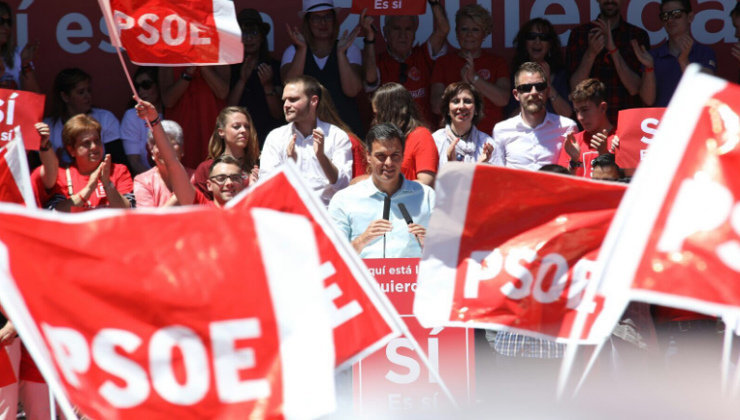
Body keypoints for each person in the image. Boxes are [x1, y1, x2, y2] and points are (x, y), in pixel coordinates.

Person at [328, 123, 434, 258]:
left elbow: (447, 255)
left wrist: (432, 245)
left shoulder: (427, 196)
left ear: (402, 156)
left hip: (415, 277)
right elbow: (331, 256)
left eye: (395, 155)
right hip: (365, 277)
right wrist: (362, 241)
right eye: (381, 156)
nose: (389, 163)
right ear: (368, 156)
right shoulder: (344, 199)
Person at [260, 75, 352, 205]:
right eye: (284, 100)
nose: (286, 105)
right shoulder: (275, 137)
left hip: (327, 218)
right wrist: (289, 164)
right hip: (290, 216)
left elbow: (343, 185)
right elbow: (266, 186)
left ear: (313, 101)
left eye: (293, 100)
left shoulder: (336, 135)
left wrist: (321, 157)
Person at [136, 100, 248, 207]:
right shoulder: (203, 207)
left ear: (243, 183)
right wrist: (155, 121)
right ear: (209, 185)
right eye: (221, 178)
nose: (229, 183)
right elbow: (172, 162)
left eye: (235, 178)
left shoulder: (252, 213)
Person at [282, 0, 364, 136]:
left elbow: (352, 90)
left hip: (345, 131)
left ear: (334, 20)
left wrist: (340, 54)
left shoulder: (350, 49)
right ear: (307, 22)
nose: (323, 23)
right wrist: (302, 49)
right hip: (305, 134)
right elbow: (290, 88)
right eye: (316, 18)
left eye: (327, 17)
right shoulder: (293, 51)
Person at [361, 0, 449, 125]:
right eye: (396, 29)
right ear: (386, 32)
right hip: (391, 137)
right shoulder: (378, 61)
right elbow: (370, 79)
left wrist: (434, 3)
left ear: (414, 33)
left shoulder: (424, 55)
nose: (403, 35)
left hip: (423, 135)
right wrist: (369, 39)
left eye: (408, 29)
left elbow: (443, 30)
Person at [565, 0, 650, 123]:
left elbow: (635, 88)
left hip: (625, 124)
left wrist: (614, 50)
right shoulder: (579, 34)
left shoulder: (636, 36)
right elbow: (574, 88)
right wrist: (591, 53)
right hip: (589, 125)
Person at [431, 4, 509, 134]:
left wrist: (475, 79)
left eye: (475, 30)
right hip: (453, 139)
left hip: (489, 140)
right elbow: (435, 107)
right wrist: (462, 86)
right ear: (456, 32)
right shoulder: (443, 62)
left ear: (484, 34)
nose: (469, 35)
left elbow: (503, 99)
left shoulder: (497, 62)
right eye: (464, 29)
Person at [31, 114, 133, 212]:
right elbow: (56, 212)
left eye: (97, 141)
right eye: (86, 143)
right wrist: (89, 188)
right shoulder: (61, 176)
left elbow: (128, 211)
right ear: (71, 150)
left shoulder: (119, 171)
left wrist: (107, 184)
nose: (94, 147)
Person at [491, 62, 578, 170]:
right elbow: (498, 175)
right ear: (516, 94)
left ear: (548, 91)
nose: (534, 92)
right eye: (526, 88)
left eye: (539, 87)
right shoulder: (501, 130)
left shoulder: (567, 127)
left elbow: (575, 173)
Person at [634, 0, 717, 108]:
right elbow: (648, 100)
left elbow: (706, 91)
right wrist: (649, 68)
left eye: (676, 14)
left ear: (690, 17)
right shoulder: (652, 56)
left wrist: (683, 61)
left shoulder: (704, 53)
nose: (670, 20)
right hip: (662, 122)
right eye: (665, 16)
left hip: (694, 122)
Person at [44, 68, 124, 166]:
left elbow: (117, 161)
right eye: (81, 92)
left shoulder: (106, 118)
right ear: (65, 96)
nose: (87, 96)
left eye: (89, 91)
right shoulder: (48, 126)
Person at [227, 8, 283, 147]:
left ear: (262, 36)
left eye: (253, 32)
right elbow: (228, 110)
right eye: (244, 34)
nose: (249, 38)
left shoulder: (273, 67)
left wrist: (267, 85)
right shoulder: (229, 67)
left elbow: (278, 114)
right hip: (238, 141)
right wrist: (242, 80)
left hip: (268, 139)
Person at [159, 62, 229, 169]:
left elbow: (222, 92)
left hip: (211, 125)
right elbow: (168, 101)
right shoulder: (169, 56)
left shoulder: (216, 51)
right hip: (184, 127)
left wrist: (202, 66)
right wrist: (188, 73)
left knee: (216, 170)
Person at [371, 82, 437, 186]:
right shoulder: (382, 139)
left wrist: (393, 190)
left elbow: (426, 181)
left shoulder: (421, 136)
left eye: (377, 115)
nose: (375, 121)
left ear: (391, 113)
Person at [508, 18, 572, 118]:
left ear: (550, 44)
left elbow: (567, 113)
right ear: (524, 43)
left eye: (543, 37)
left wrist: (548, 85)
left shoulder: (561, 74)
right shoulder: (515, 75)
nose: (537, 41)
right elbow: (511, 118)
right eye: (531, 37)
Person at [191, 106, 260, 200]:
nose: (244, 130)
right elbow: (199, 203)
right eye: (236, 126)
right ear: (221, 132)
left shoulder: (259, 165)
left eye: (247, 127)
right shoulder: (206, 168)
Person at [557, 78, 616, 177]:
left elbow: (626, 183)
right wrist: (573, 162)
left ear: (603, 108)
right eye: (576, 111)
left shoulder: (621, 139)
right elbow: (561, 185)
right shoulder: (573, 142)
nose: (580, 117)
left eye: (585, 110)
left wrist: (604, 154)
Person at [134, 120, 195, 207]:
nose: (166, 150)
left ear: (182, 150)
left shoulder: (196, 177)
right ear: (152, 151)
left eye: (171, 144)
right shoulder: (143, 181)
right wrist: (179, 196)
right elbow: (147, 219)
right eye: (159, 144)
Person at [432, 81, 493, 169]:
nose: (461, 106)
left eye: (467, 101)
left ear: (476, 110)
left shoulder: (488, 144)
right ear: (447, 110)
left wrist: (481, 167)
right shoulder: (435, 141)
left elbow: (499, 180)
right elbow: (429, 181)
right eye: (456, 101)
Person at [316, 84, 367, 178]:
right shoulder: (286, 140)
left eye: (294, 99)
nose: (286, 105)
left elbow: (360, 185)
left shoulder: (348, 141)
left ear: (314, 103)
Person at [120, 66, 162, 176]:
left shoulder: (176, 111)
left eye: (146, 85)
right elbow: (135, 162)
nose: (141, 91)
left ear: (160, 84)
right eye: (137, 86)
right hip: (149, 181)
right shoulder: (132, 116)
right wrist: (158, 183)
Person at [0, 1, 38, 92]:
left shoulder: (17, 55)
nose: (6, 26)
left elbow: (34, 99)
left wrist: (24, 63)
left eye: (9, 22)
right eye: (0, 21)